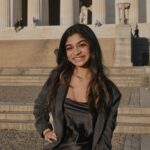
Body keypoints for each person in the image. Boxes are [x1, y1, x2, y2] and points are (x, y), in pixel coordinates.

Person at [33, 24, 121, 150]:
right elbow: (40, 106)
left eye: (82, 45)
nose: (76, 52)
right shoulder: (57, 78)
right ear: (66, 52)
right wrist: (45, 129)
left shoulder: (110, 91)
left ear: (91, 45)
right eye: (69, 48)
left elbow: (105, 137)